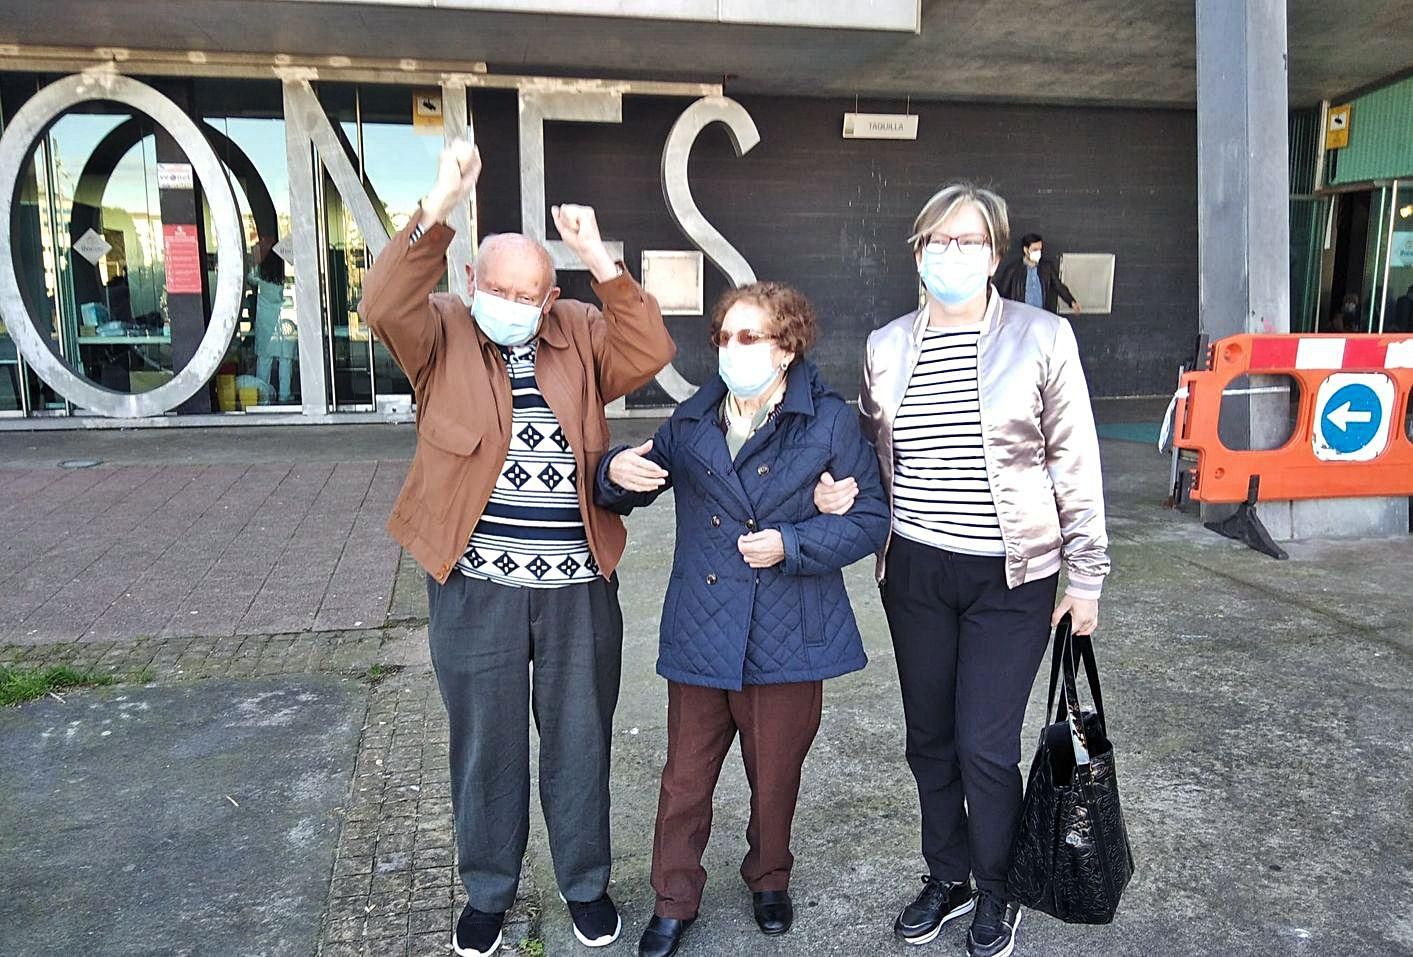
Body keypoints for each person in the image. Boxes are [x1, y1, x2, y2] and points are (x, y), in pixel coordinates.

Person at [361, 139, 676, 957]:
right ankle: (489, 893)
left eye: (529, 293)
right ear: (472, 283)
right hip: (476, 584)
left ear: (548, 296)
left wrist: (596, 260)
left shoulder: (574, 330)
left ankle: (585, 882)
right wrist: (437, 204)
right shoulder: (438, 334)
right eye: (499, 287)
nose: (512, 302)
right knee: (486, 746)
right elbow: (382, 302)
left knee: (580, 742)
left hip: (577, 583)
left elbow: (649, 351)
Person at [819, 183, 1109, 957]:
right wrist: (834, 488)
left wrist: (1085, 575)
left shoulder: (1041, 337)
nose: (951, 254)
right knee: (929, 739)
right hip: (911, 566)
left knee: (984, 742)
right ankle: (945, 874)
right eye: (936, 242)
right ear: (917, 252)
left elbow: (1072, 461)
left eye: (969, 241)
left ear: (995, 252)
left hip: (1009, 573)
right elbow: (867, 451)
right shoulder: (885, 344)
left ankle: (997, 884)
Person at [595, 282, 889, 957]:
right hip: (703, 624)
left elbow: (871, 518)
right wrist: (613, 470)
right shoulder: (694, 417)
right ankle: (673, 897)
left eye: (748, 337)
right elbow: (629, 482)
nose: (731, 349)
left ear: (786, 347)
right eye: (724, 337)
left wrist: (795, 542)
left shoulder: (827, 420)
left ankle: (768, 877)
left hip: (788, 627)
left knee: (775, 774)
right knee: (684, 777)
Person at [249, 239, 296, 403]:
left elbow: (249, 277)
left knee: (264, 361)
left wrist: (255, 258)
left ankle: (263, 396)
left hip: (266, 325)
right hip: (285, 323)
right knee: (285, 361)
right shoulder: (285, 280)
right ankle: (284, 395)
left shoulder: (260, 278)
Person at [994, 232, 1081, 314]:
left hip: (1041, 314)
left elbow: (1059, 286)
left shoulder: (1047, 267)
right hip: (1021, 316)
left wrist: (1072, 302)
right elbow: (1001, 292)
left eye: (1040, 249)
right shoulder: (1013, 269)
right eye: (1035, 249)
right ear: (1026, 250)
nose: (1038, 252)